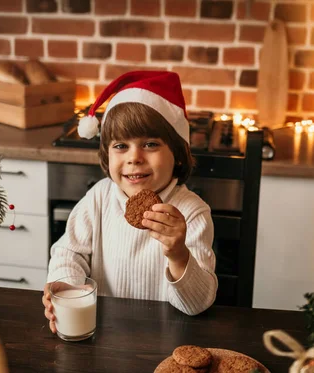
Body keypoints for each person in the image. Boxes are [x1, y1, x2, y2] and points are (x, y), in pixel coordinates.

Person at [42, 71, 217, 333]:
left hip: (164, 341)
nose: (134, 157)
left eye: (150, 144)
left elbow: (197, 304)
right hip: (101, 335)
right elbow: (69, 252)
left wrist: (179, 254)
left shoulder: (192, 213)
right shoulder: (99, 198)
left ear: (177, 154)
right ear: (106, 154)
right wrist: (69, 286)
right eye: (121, 146)